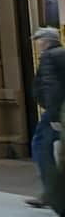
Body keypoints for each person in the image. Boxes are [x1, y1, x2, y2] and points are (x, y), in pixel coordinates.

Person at [30, 27, 65, 207]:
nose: (37, 44)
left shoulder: (49, 57)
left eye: (38, 40)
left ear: (45, 41)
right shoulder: (62, 54)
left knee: (40, 147)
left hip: (56, 112)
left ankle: (51, 193)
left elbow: (51, 87)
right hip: (60, 110)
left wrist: (53, 116)